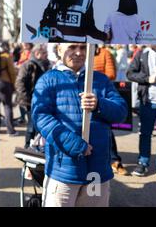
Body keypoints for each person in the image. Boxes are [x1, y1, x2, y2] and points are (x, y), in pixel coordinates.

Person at [32, 43, 127, 207]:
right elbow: (41, 117)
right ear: (60, 49)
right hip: (62, 171)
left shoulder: (100, 80)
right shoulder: (48, 80)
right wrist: (75, 145)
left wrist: (99, 104)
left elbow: (121, 112)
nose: (78, 52)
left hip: (96, 171)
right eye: (72, 47)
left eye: (83, 48)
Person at [126, 44, 156, 182]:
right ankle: (143, 163)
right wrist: (147, 78)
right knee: (145, 133)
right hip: (147, 102)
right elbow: (130, 73)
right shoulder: (142, 53)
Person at [93, 45, 127, 176]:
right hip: (83, 98)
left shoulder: (105, 53)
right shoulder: (80, 53)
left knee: (107, 131)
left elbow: (111, 73)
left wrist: (94, 78)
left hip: (101, 98)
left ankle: (115, 160)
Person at [15, 44, 49, 148]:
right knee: (32, 126)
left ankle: (36, 146)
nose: (46, 55)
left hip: (43, 101)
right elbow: (20, 83)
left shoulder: (46, 65)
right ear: (37, 53)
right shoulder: (28, 65)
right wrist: (27, 100)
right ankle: (27, 146)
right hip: (31, 101)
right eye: (44, 53)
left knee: (39, 125)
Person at [0, 41, 19, 136]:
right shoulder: (7, 56)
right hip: (4, 82)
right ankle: (10, 130)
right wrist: (14, 84)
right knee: (7, 106)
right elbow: (11, 72)